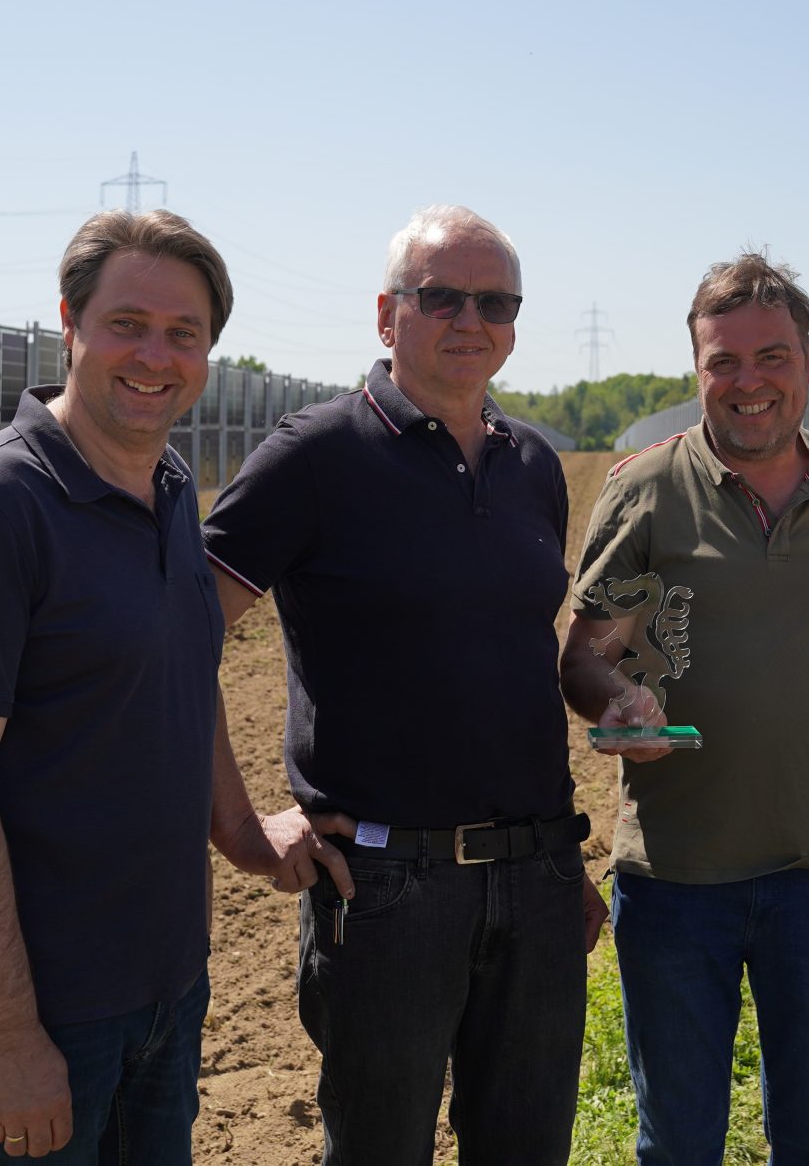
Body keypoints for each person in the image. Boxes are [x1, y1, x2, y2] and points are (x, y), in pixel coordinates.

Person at [0, 209, 317, 1163]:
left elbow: (183, 672)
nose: (155, 355)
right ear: (69, 322)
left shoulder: (168, 487)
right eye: (128, 323)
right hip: (46, 1012)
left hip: (166, 991)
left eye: (183, 333)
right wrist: (8, 1036)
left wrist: (243, 832)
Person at [201, 204, 606, 1166]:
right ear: (389, 314)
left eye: (496, 302)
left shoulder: (532, 464)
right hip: (386, 889)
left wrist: (559, 866)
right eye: (443, 297)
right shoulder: (315, 455)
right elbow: (178, 637)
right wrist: (240, 825)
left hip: (537, 879)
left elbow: (513, 661)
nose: (472, 319)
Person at [559, 251, 809, 1166]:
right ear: (697, 369)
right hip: (677, 878)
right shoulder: (647, 489)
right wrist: (620, 697)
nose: (748, 381)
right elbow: (586, 655)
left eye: (771, 356)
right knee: (678, 1142)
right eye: (724, 361)